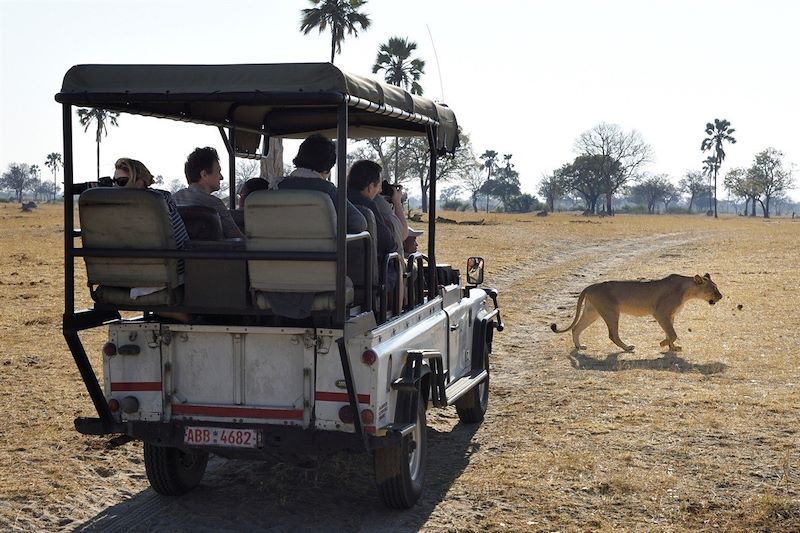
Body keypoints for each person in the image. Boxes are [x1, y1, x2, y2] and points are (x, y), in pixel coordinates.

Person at [112, 158, 190, 320]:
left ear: (140, 182)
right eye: (114, 182)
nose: (116, 187)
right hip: (141, 273)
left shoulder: (157, 202)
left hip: (160, 273)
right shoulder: (160, 199)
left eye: (122, 181)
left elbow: (176, 241)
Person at [274, 134, 366, 234]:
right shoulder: (326, 189)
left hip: (277, 248)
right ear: (328, 167)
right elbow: (358, 223)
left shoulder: (278, 186)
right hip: (319, 248)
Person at [346, 160, 402, 289]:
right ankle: (398, 308)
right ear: (370, 187)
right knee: (396, 261)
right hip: (365, 275)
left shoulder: (336, 198)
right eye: (379, 186)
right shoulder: (367, 206)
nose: (381, 190)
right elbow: (387, 242)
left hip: (339, 268)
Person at [174, 147, 245, 239]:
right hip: (215, 253)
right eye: (218, 172)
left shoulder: (172, 200)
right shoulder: (214, 203)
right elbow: (240, 241)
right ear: (204, 174)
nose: (221, 177)